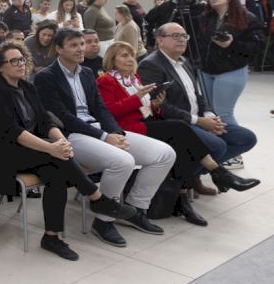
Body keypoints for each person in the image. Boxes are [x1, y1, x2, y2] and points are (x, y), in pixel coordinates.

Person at [0, 42, 136, 261]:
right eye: (14, 61)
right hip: (0, 155)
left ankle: (51, 236)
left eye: (22, 59)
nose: (20, 64)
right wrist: (51, 148)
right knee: (56, 158)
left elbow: (44, 120)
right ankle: (97, 198)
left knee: (56, 170)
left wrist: (61, 141)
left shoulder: (26, 87)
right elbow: (13, 132)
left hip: (28, 148)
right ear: (0, 67)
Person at [34, 29, 175, 246]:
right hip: (70, 135)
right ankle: (104, 221)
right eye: (74, 45)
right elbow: (63, 117)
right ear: (59, 49)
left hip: (98, 129)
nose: (80, 49)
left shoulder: (86, 73)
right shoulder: (46, 77)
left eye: (82, 44)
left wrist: (115, 133)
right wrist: (104, 136)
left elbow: (100, 108)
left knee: (164, 154)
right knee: (123, 161)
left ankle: (135, 209)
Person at [98, 42, 258, 225]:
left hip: (146, 122)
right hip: (127, 128)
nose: (130, 59)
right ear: (112, 59)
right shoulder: (106, 81)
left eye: (131, 55)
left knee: (183, 146)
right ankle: (217, 173)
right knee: (180, 129)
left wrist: (156, 105)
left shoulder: (134, 78)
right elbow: (109, 112)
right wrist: (137, 98)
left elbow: (145, 109)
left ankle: (184, 198)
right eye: (124, 56)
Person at [138, 24, 259, 193]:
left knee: (246, 138)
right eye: (175, 35)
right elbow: (159, 105)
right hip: (179, 123)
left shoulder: (185, 61)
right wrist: (199, 121)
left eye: (184, 36)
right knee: (217, 146)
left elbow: (198, 95)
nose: (181, 39)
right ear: (160, 40)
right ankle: (184, 182)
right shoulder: (151, 65)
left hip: (199, 119)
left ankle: (193, 175)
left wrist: (209, 116)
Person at [194, 0, 263, 168]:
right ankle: (220, 149)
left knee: (224, 113)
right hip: (206, 70)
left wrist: (232, 44)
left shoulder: (246, 17)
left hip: (231, 70)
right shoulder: (206, 18)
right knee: (211, 113)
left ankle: (236, 153)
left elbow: (257, 47)